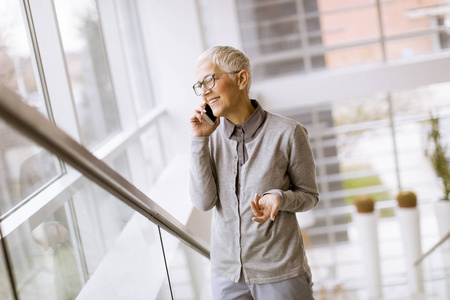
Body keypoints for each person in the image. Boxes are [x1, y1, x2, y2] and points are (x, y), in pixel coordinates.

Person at [189, 46, 319, 300]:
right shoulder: (210, 139)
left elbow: (309, 196)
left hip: (280, 274)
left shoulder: (288, 133)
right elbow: (203, 202)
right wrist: (198, 141)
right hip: (226, 276)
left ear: (241, 79)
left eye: (210, 80)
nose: (204, 90)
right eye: (199, 84)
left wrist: (280, 199)